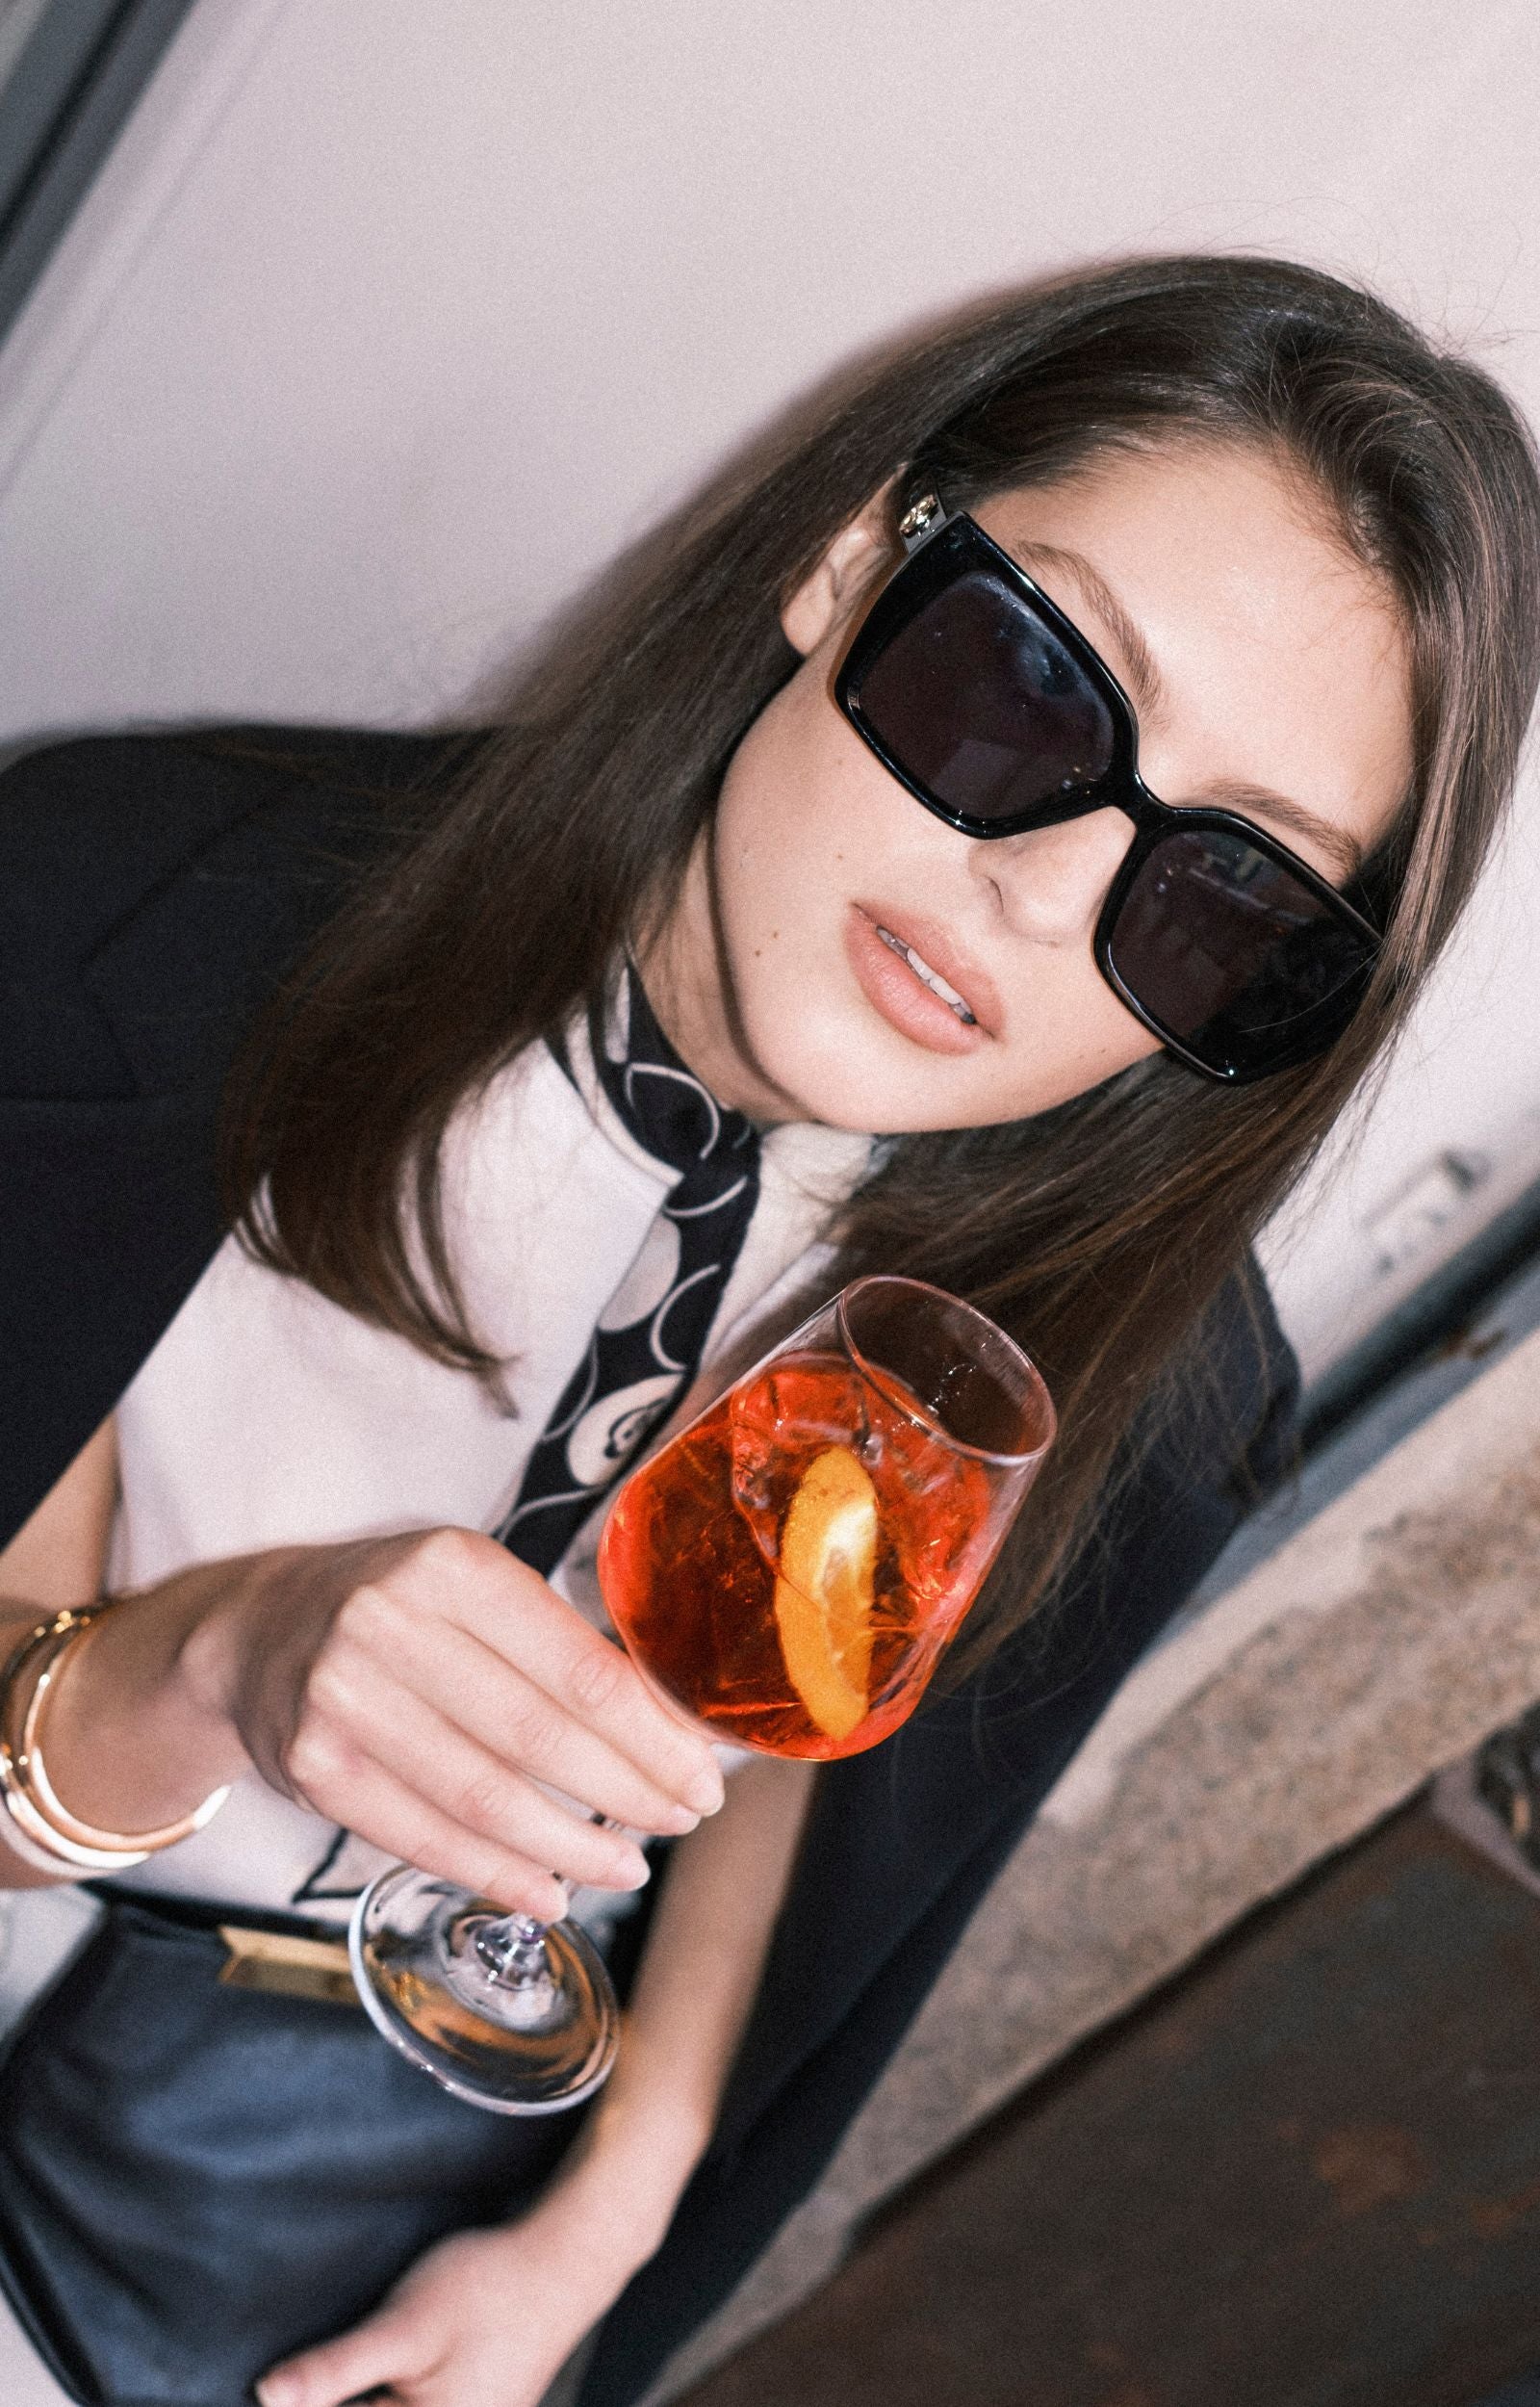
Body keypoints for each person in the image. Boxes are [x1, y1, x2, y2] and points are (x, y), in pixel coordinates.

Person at [0, 252, 1536, 2407]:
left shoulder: (1124, 1391)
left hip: (292, 2281)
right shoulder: (127, 922)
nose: (1038, 893)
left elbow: (804, 1773)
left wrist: (607, 2214)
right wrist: (218, 1664)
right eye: (1029, 688)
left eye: (1222, 898)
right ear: (848, 562)